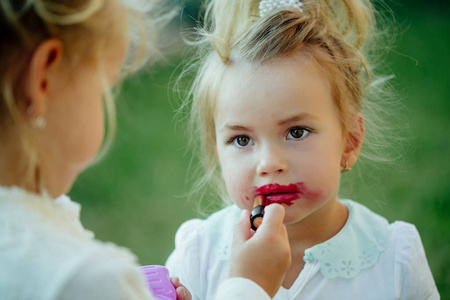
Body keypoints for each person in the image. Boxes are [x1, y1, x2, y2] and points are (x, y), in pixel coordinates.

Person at [0, 0, 290, 299]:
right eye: (105, 88)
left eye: (296, 132)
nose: (268, 162)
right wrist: (248, 287)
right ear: (44, 79)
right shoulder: (82, 280)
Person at [166, 0, 440, 299]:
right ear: (218, 153)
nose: (269, 163)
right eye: (242, 139)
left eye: (297, 132)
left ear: (350, 140)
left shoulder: (394, 258)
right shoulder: (197, 255)